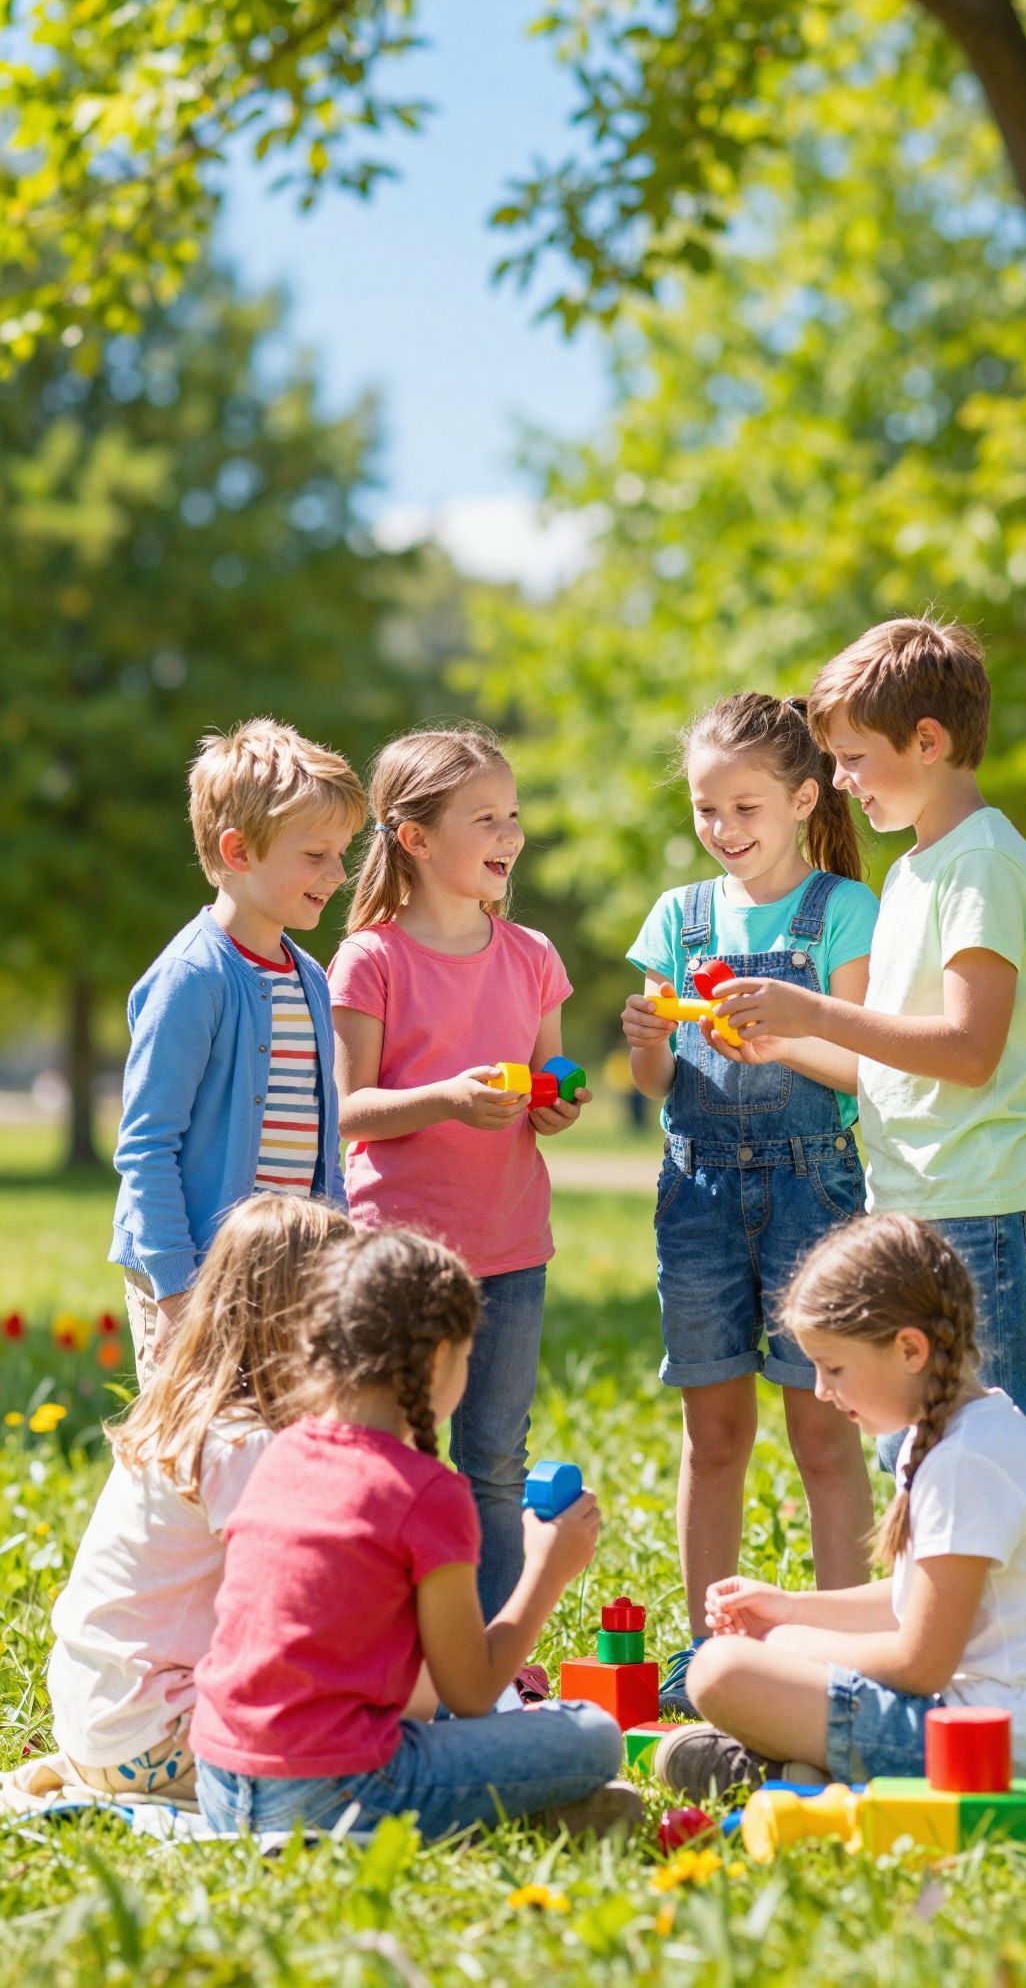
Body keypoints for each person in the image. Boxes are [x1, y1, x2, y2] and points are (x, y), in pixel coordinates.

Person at [708, 618, 1026, 1739]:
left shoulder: (984, 864)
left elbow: (969, 1049)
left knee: (996, 1438)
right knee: (923, 1445)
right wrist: (785, 1040)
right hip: (919, 1196)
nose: (843, 782)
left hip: (979, 1203)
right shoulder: (917, 869)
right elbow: (889, 1062)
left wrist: (814, 1005)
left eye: (856, 759)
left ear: (931, 739)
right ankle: (958, 1654)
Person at [192, 1229, 639, 1841]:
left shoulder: (283, 1452)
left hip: (219, 1781)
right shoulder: (426, 1492)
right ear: (438, 1359)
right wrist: (547, 1570)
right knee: (594, 1733)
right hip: (339, 1790)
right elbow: (473, 1692)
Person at [655, 1213, 1026, 1799]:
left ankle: (804, 1770)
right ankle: (806, 1772)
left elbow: (920, 1663)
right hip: (1013, 1732)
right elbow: (915, 1599)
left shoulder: (966, 1461)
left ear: (909, 1349)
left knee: (720, 1670)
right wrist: (790, 1609)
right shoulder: (963, 1435)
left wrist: (787, 1644)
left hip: (1007, 1747)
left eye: (834, 1368)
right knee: (740, 1664)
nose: (821, 1391)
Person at [622, 692, 879, 1711]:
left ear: (804, 799)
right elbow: (657, 1083)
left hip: (814, 1190)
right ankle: (705, 1650)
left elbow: (863, 1068)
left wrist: (783, 1041)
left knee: (825, 1429)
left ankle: (845, 1652)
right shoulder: (678, 918)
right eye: (706, 809)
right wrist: (649, 1042)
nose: (724, 829)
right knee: (715, 1432)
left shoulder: (842, 911)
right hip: (698, 1195)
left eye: (745, 808)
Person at [327, 725, 587, 1627]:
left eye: (513, 814)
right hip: (399, 1257)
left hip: (511, 1249)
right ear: (417, 838)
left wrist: (556, 1104)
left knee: (496, 1465)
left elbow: (550, 1078)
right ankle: (393, 1642)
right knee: (398, 1455)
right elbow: (349, 1109)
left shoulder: (533, 955)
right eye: (487, 818)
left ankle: (487, 1656)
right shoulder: (371, 958)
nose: (511, 834)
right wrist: (444, 1099)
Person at [1, 1195, 351, 1812]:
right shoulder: (243, 1445)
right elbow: (292, 1616)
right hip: (152, 1732)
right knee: (358, 1744)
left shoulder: (186, 1416)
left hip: (99, 1717)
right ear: (305, 1323)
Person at [109, 718, 367, 1380]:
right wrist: (176, 1291)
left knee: (278, 1436)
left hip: (288, 1276)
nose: (338, 873)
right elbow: (147, 1146)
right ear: (239, 850)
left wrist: (335, 1256)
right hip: (193, 1278)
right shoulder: (192, 977)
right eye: (317, 854)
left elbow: (321, 1143)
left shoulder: (310, 978)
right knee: (193, 1438)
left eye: (341, 853)